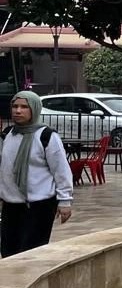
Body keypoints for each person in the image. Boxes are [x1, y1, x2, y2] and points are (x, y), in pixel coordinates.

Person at [1, 91, 73, 257]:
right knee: (8, 253)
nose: (18, 111)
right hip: (11, 207)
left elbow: (61, 170)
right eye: (15, 106)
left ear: (34, 109)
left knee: (31, 254)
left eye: (24, 107)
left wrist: (65, 201)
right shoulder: (9, 134)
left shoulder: (46, 136)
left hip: (38, 207)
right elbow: (5, 169)